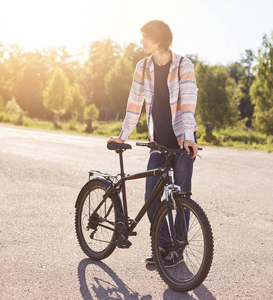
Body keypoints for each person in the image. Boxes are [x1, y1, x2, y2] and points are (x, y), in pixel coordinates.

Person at [108, 20, 198, 267]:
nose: (141, 42)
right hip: (158, 142)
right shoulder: (143, 66)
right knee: (151, 196)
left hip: (182, 141)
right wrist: (123, 135)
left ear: (157, 39)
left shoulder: (183, 65)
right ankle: (164, 246)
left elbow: (189, 105)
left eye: (144, 37)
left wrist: (189, 137)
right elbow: (134, 103)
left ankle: (176, 251)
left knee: (181, 197)